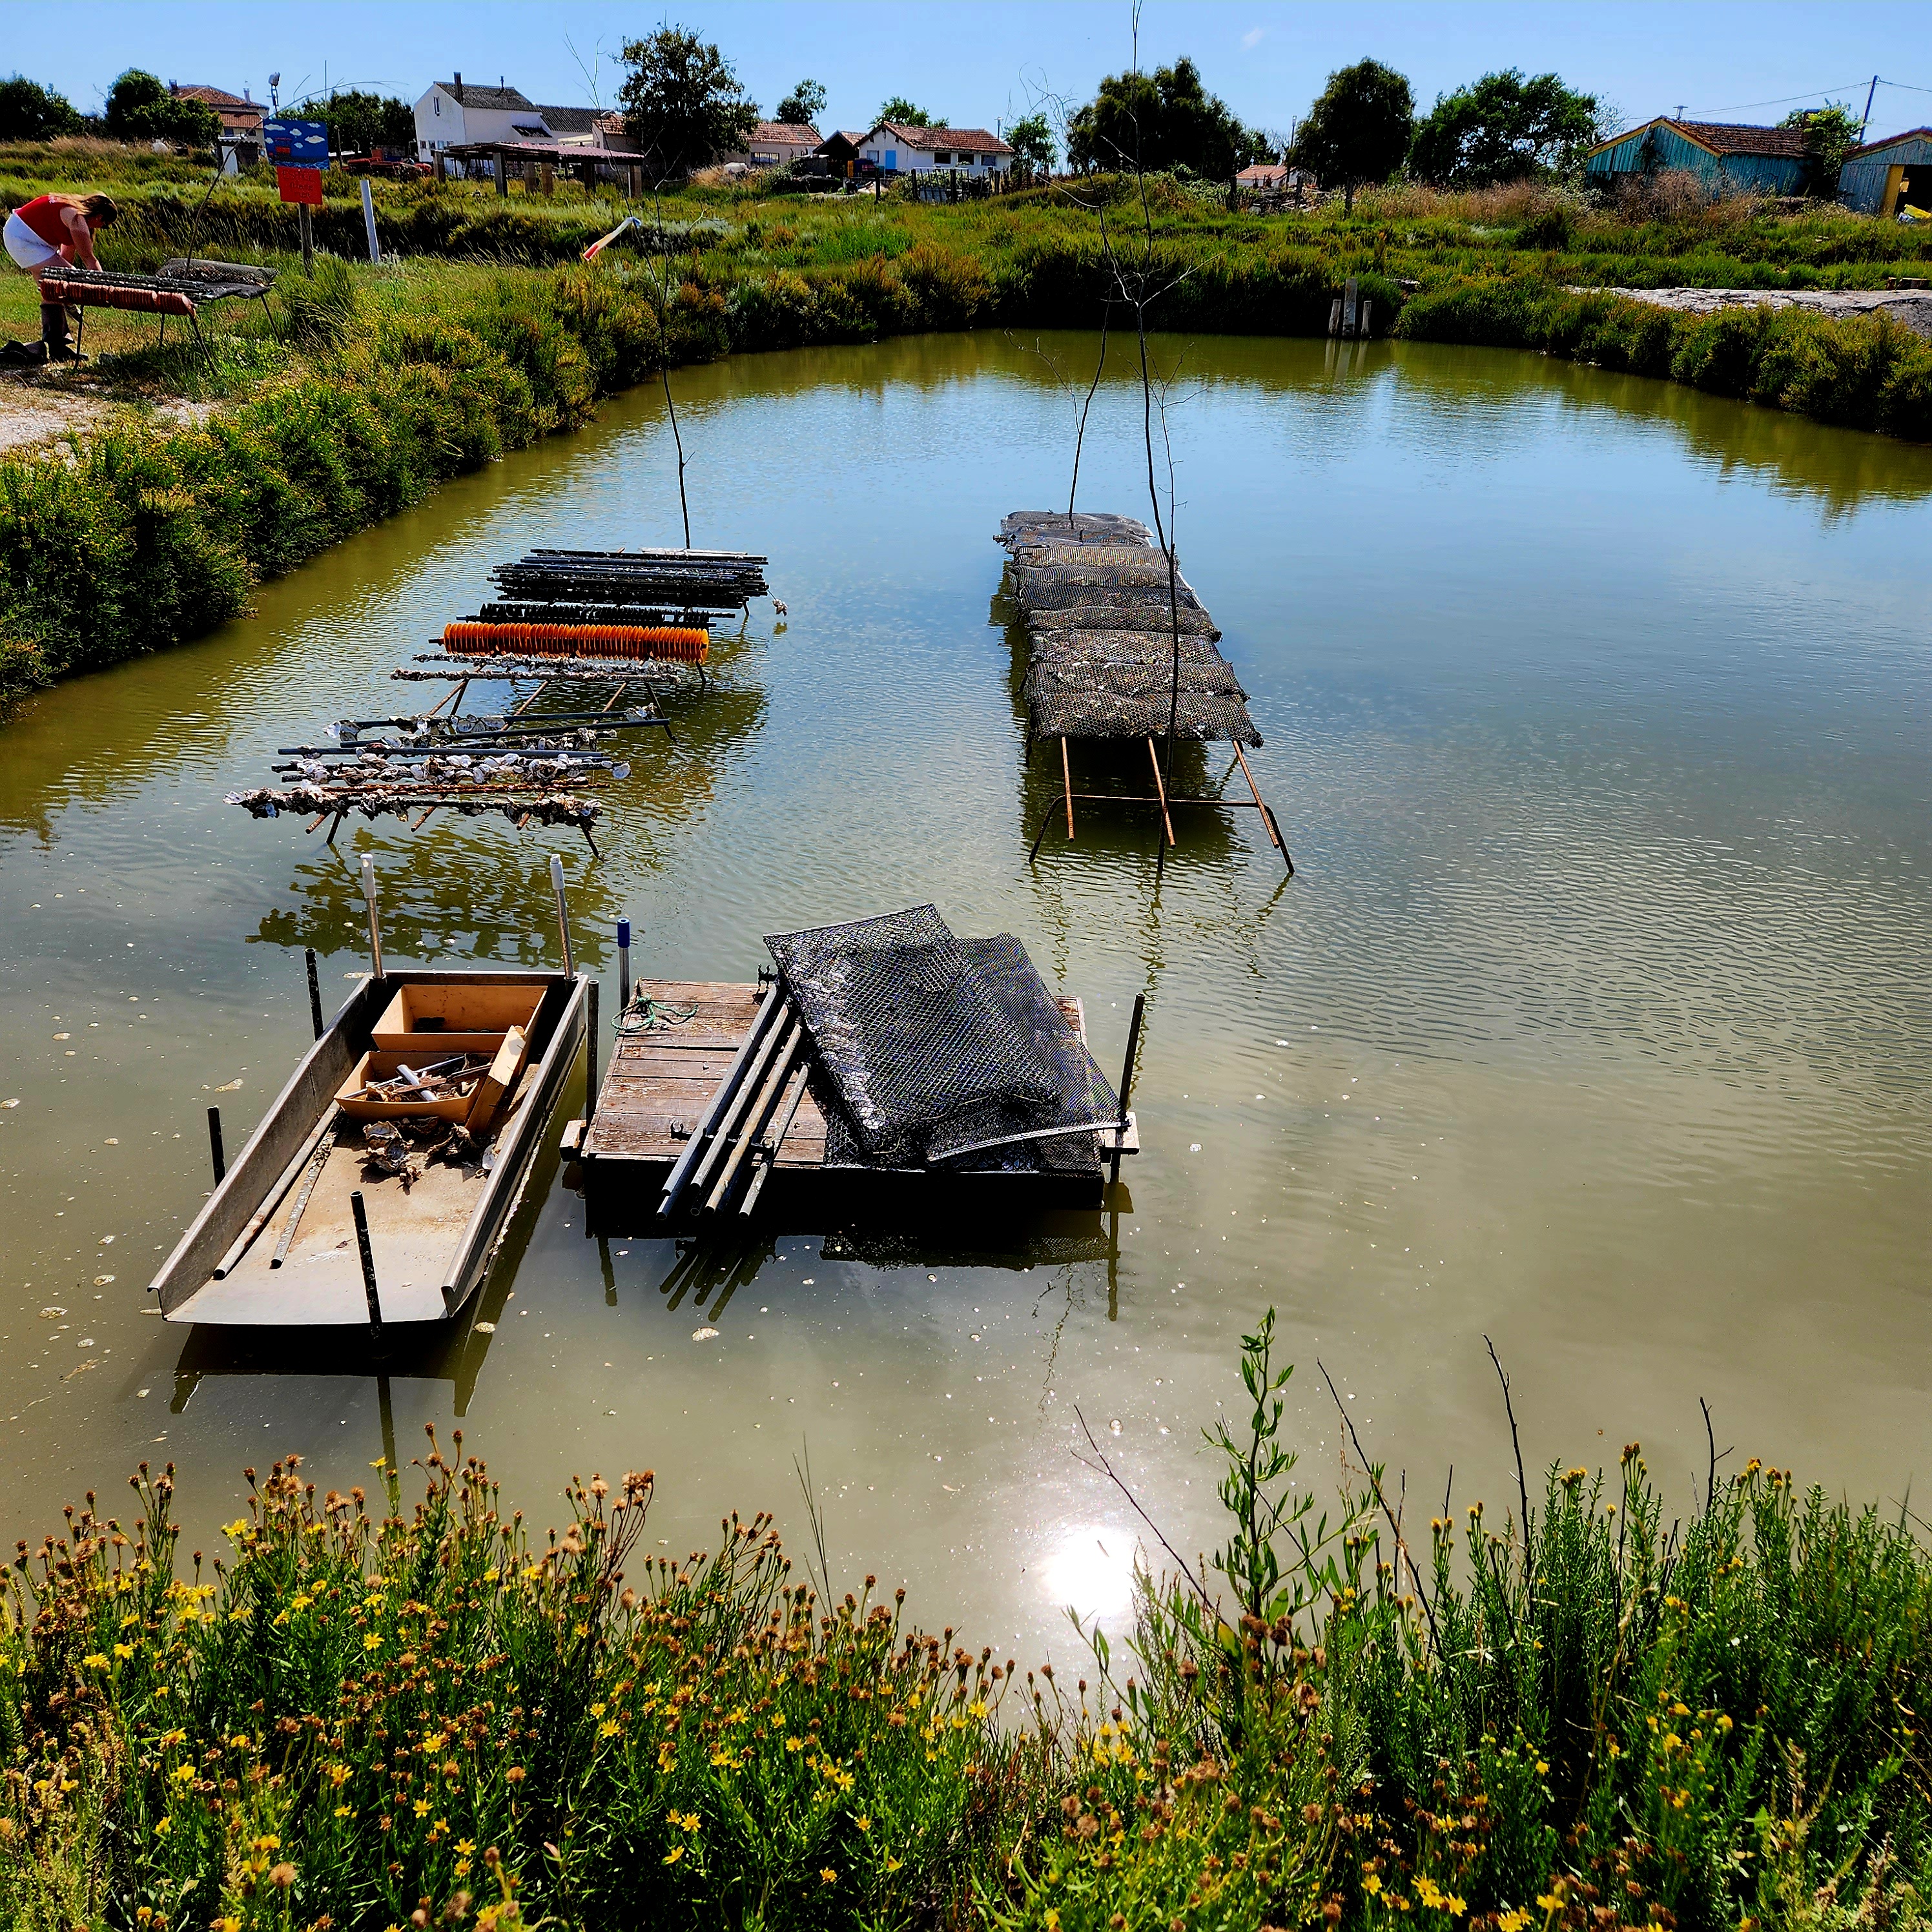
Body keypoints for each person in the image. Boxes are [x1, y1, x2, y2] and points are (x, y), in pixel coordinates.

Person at [4, 192, 118, 362]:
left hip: (19, 233)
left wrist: (65, 293)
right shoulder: (77, 221)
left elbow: (66, 258)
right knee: (67, 280)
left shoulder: (71, 211)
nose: (102, 228)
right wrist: (103, 289)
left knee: (53, 291)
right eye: (105, 224)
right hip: (24, 239)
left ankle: (59, 349)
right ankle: (58, 347)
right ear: (100, 217)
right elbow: (89, 260)